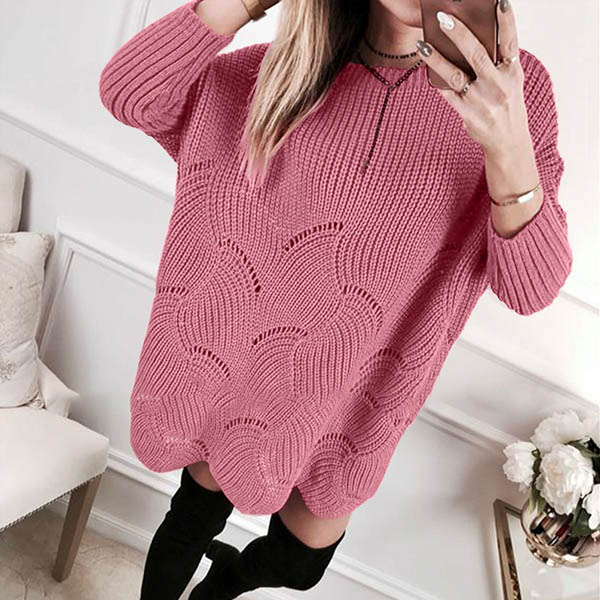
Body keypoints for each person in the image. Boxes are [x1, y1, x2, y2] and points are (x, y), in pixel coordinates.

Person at [98, 0, 572, 598]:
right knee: (191, 517)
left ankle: (225, 582)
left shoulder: (514, 98)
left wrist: (508, 148)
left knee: (299, 565)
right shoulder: (286, 72)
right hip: (242, 371)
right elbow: (131, 94)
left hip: (351, 404)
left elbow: (531, 287)